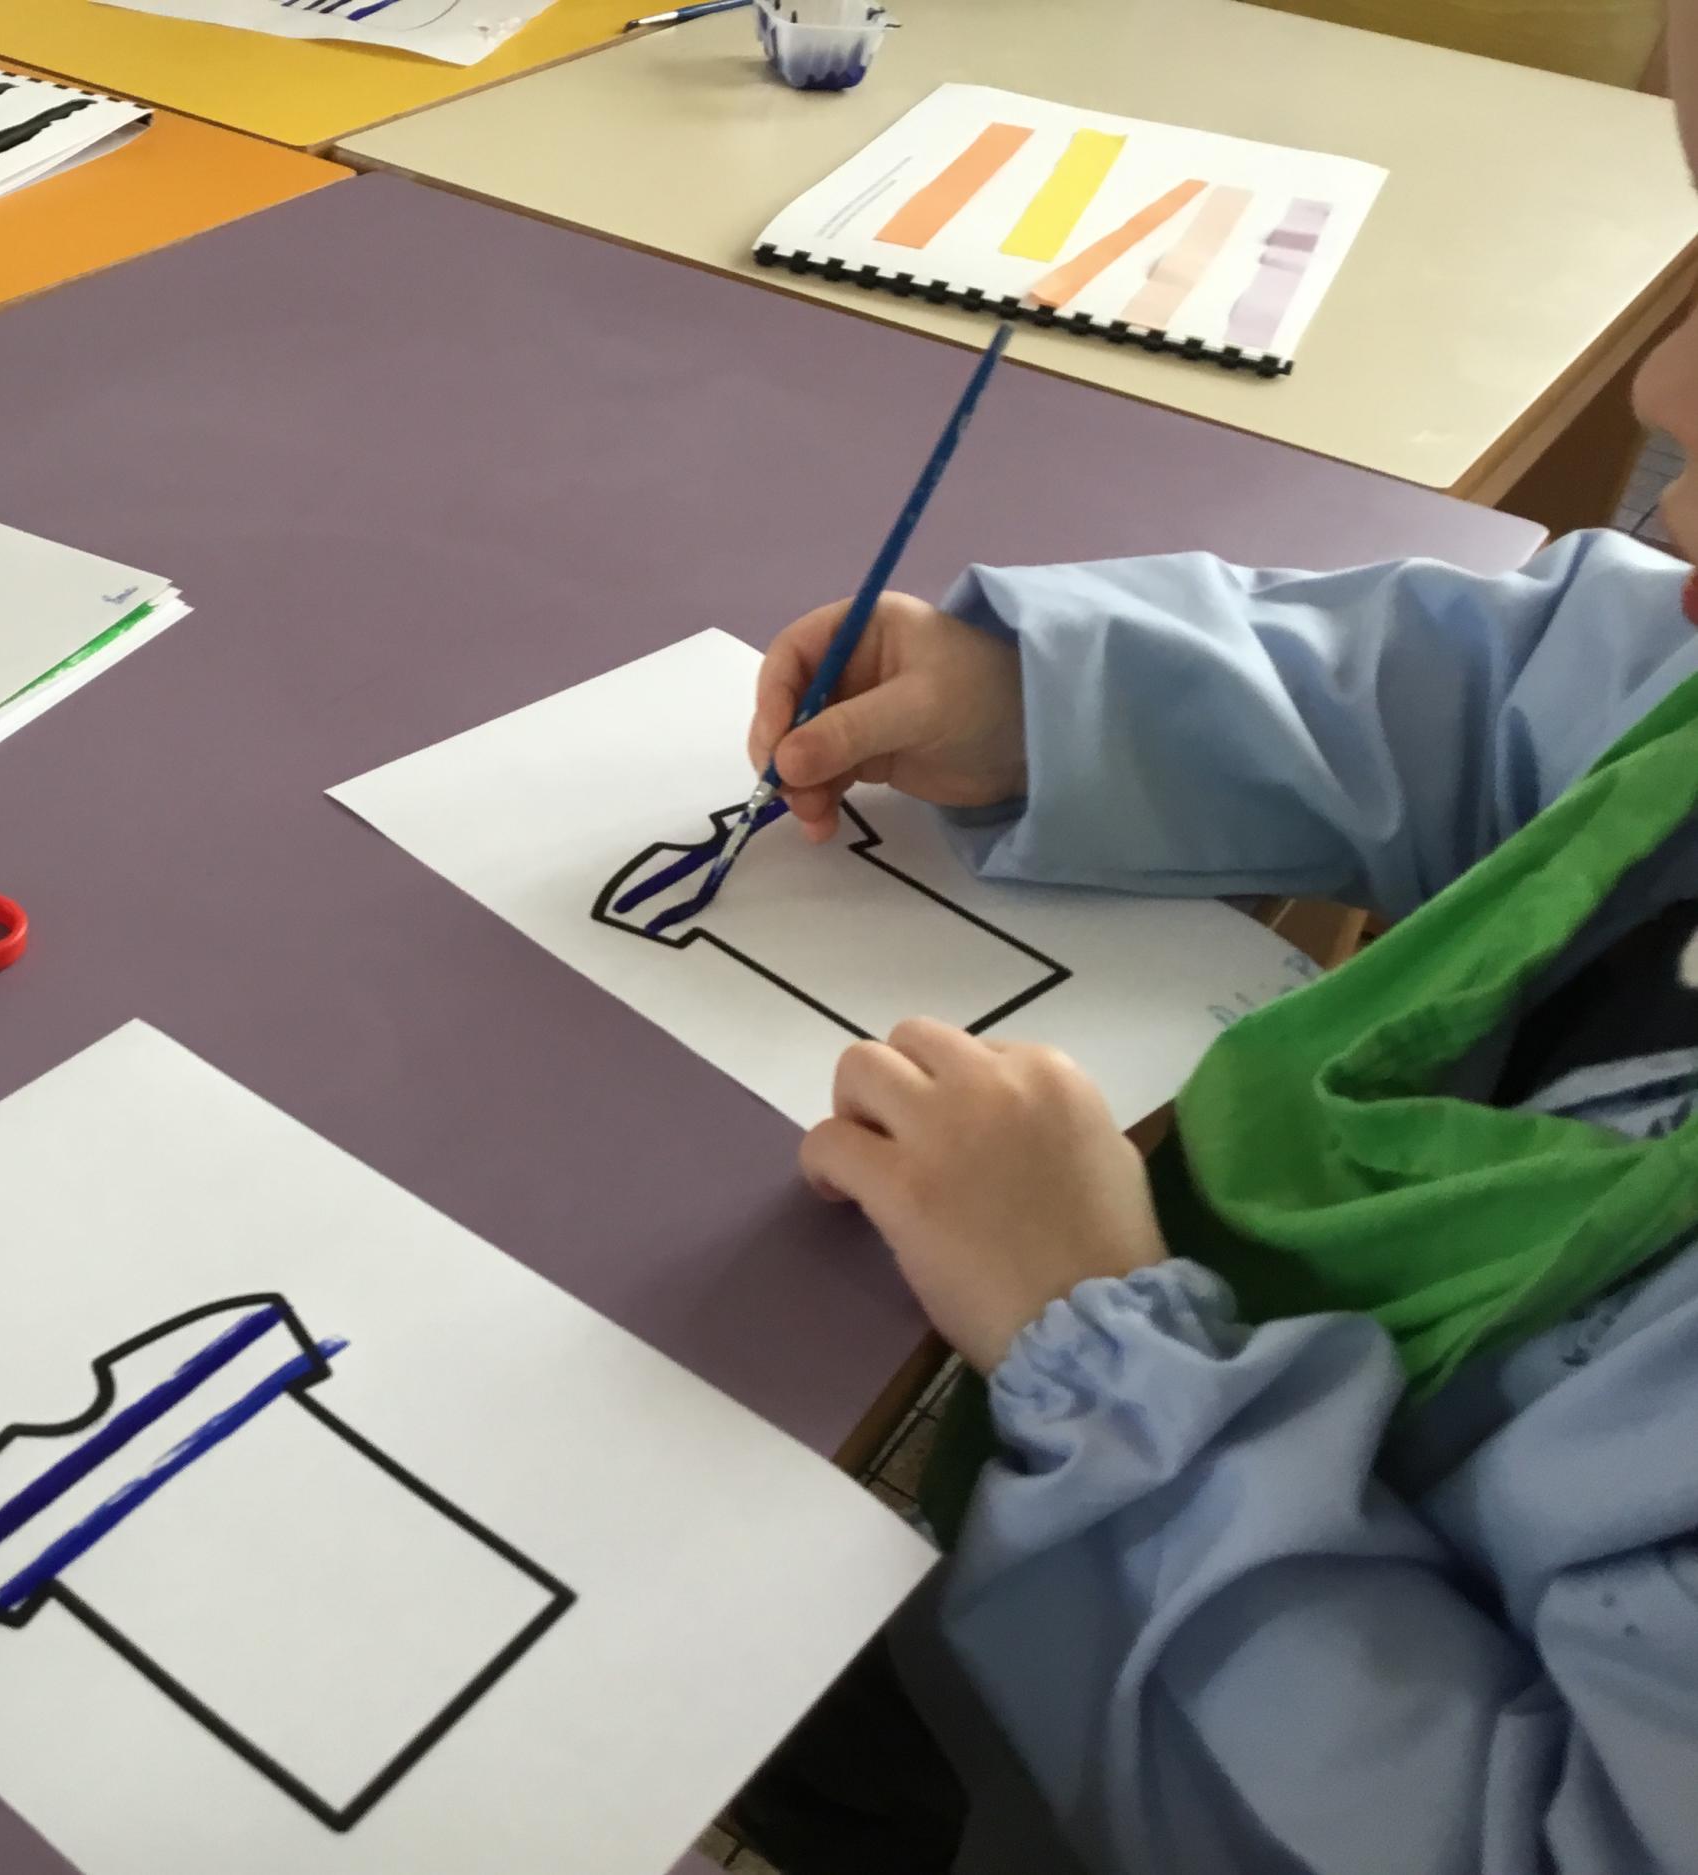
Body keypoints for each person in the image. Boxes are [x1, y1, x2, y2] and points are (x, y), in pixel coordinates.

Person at [728, 8, 1698, 1869]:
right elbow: (1507, 692)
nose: (1663, 390)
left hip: (1167, 1700)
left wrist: (1098, 1347)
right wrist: (1053, 697)